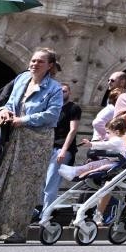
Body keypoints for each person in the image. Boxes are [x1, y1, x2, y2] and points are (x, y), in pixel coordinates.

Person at [0, 47, 63, 243]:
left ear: (49, 66)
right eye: (33, 60)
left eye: (40, 61)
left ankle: (16, 232)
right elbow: (9, 103)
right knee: (3, 182)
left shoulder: (54, 88)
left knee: (24, 185)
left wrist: (24, 120)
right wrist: (4, 111)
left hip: (37, 140)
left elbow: (52, 115)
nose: (34, 64)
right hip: (15, 136)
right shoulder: (22, 79)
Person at [42, 82, 82, 212]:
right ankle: (42, 210)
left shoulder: (73, 108)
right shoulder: (52, 107)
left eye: (64, 91)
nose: (61, 93)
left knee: (51, 182)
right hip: (48, 147)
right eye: (59, 91)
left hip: (61, 148)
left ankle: (46, 214)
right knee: (43, 181)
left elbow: (73, 130)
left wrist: (64, 150)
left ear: (69, 93)